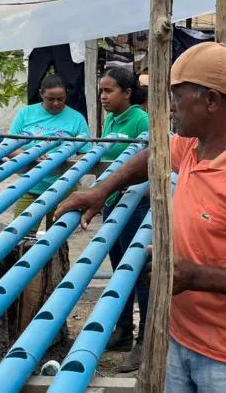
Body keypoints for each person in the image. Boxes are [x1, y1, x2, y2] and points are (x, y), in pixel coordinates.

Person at [57, 42, 226, 392]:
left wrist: (196, 276)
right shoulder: (195, 143)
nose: (170, 107)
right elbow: (152, 156)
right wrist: (101, 191)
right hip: (182, 336)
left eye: (177, 95)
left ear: (211, 101)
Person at [96, 67, 150, 371]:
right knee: (119, 270)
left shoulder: (141, 120)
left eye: (109, 91)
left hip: (135, 206)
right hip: (113, 203)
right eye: (101, 91)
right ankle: (123, 332)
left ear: (127, 93)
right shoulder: (112, 119)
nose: (103, 96)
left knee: (139, 272)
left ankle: (145, 339)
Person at [9, 74, 90, 228]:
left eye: (61, 98)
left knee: (56, 239)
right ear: (41, 94)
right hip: (30, 185)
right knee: (20, 233)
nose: (56, 103)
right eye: (50, 99)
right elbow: (9, 147)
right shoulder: (25, 114)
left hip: (63, 188)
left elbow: (86, 153)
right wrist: (32, 157)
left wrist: (64, 160)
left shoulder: (77, 118)